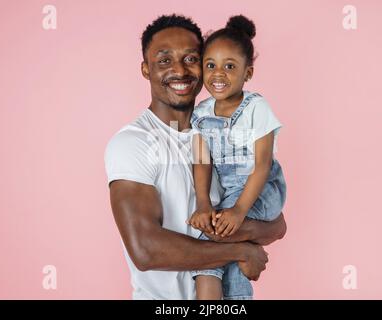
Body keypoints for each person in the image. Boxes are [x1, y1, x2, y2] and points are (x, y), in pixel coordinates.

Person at [104, 14, 287, 300]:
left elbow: (277, 225)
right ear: (145, 69)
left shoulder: (229, 133)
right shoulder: (133, 143)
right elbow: (145, 249)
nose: (179, 70)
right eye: (164, 60)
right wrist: (241, 248)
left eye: (190, 59)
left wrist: (237, 225)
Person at [188, 15, 287, 300]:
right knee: (221, 254)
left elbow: (262, 165)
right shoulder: (202, 114)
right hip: (231, 195)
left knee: (208, 243)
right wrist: (203, 204)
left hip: (260, 191)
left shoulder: (256, 107)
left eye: (230, 66)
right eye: (211, 65)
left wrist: (239, 211)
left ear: (248, 73)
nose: (218, 74)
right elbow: (202, 161)